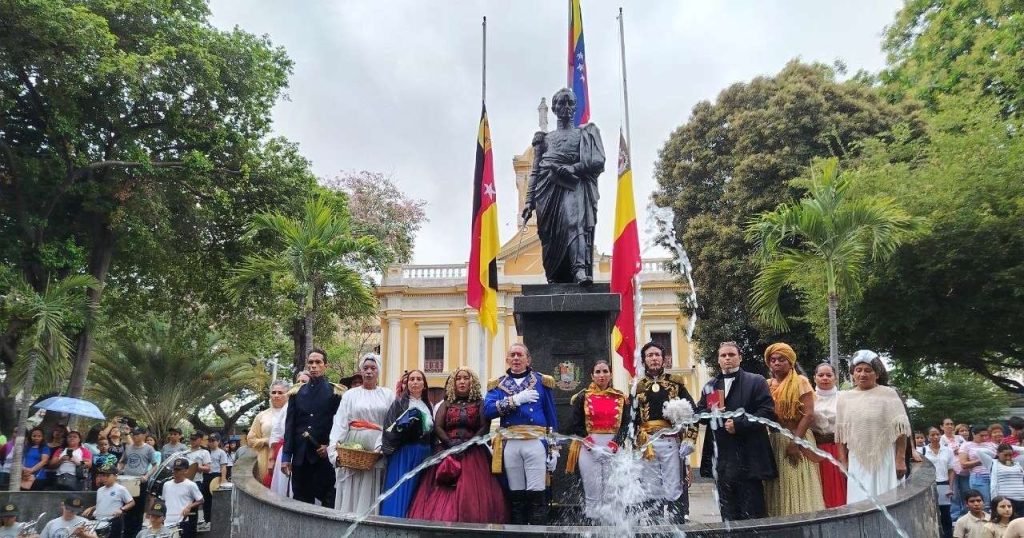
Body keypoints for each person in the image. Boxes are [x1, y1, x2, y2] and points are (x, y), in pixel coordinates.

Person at [520, 87, 606, 285]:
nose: (565, 107)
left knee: (574, 222)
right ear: (554, 108)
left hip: (572, 184)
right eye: (561, 103)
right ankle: (555, 274)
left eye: (569, 103)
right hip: (547, 190)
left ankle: (579, 270)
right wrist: (528, 201)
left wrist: (574, 168)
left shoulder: (584, 134)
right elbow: (535, 171)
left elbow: (597, 161)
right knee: (548, 233)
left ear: (575, 107)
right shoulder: (544, 140)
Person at [407, 368, 508, 523]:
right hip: (447, 449)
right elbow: (438, 427)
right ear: (453, 383)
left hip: (474, 451)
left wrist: (469, 443)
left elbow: (484, 427)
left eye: (465, 378)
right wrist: (449, 443)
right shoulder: (446, 404)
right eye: (458, 378)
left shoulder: (480, 403)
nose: (461, 381)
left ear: (471, 382)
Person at [696, 341, 777, 521]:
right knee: (728, 516)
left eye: (731, 355)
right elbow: (699, 414)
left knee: (753, 515)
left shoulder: (756, 381)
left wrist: (740, 424)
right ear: (718, 360)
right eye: (723, 355)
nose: (727, 359)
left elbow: (767, 412)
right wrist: (711, 413)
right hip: (723, 462)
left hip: (749, 459)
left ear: (740, 357)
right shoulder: (711, 385)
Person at [483, 343, 559, 525]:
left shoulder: (542, 381)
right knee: (516, 496)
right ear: (507, 359)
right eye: (512, 355)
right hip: (511, 443)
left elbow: (552, 417)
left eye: (520, 355)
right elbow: (488, 411)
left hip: (535, 442)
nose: (516, 358)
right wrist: (515, 400)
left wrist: (555, 450)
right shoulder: (497, 384)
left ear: (528, 359)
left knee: (537, 494)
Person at [836, 350, 911, 504]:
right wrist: (843, 460)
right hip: (857, 458)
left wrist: (900, 459)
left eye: (868, 370)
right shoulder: (844, 397)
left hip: (885, 456)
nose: (863, 374)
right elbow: (841, 433)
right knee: (859, 501)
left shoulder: (888, 393)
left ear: (877, 374)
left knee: (888, 500)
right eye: (858, 370)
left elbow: (901, 429)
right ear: (853, 373)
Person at [630, 343, 694, 522]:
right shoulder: (638, 386)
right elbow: (630, 418)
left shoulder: (676, 383)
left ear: (663, 358)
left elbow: (692, 413)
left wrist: (689, 439)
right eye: (649, 355)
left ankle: (677, 526)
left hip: (670, 441)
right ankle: (653, 528)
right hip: (646, 443)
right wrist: (628, 443)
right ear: (644, 360)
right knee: (650, 488)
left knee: (674, 487)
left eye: (657, 354)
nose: (654, 358)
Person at [762, 343, 825, 517]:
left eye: (781, 359)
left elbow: (808, 415)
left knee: (797, 485)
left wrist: (795, 443)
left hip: (798, 438)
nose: (776, 363)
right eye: (773, 360)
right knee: (777, 486)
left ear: (791, 362)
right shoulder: (766, 385)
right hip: (774, 440)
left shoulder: (801, 382)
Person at [565, 359, 631, 521]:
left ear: (611, 374)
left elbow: (626, 424)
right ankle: (593, 526)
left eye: (605, 371)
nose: (602, 375)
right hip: (588, 449)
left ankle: (612, 527)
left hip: (613, 448)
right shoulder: (582, 397)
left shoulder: (621, 398)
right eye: (598, 372)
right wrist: (590, 445)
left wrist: (616, 443)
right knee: (592, 491)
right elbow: (575, 424)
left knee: (612, 492)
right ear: (592, 375)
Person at [328, 353, 393, 513]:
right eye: (365, 368)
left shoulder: (387, 395)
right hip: (352, 448)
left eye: (373, 368)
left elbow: (391, 424)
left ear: (378, 371)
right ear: (361, 371)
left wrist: (381, 447)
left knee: (372, 488)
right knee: (351, 487)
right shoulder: (350, 395)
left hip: (376, 450)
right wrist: (334, 452)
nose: (369, 371)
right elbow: (340, 423)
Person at [282, 349, 346, 508]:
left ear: (326, 366)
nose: (314, 366)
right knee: (300, 503)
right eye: (311, 362)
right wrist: (285, 457)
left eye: (318, 362)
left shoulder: (335, 392)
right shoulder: (296, 392)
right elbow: (289, 427)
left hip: (323, 456)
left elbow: (340, 425)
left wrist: (331, 448)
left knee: (329, 501)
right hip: (300, 457)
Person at [379, 370, 434, 517]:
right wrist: (404, 428)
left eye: (418, 379)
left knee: (418, 493)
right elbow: (388, 429)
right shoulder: (398, 404)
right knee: (400, 490)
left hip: (424, 454)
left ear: (424, 385)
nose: (415, 382)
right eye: (412, 379)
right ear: (407, 383)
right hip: (404, 453)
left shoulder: (428, 406)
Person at [811, 362, 846, 508]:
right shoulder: (808, 397)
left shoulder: (845, 397)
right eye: (821, 375)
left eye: (829, 375)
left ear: (835, 378)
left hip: (840, 447)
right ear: (814, 378)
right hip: (814, 449)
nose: (825, 378)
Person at [269, 374, 307, 497]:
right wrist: (272, 458)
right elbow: (276, 433)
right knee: (285, 488)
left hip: (309, 452)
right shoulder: (288, 406)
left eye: (304, 381)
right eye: (298, 381)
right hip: (287, 452)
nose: (301, 383)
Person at [248, 380, 289, 485]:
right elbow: (251, 439)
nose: (276, 395)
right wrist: (267, 441)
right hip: (265, 459)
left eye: (280, 393)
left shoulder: (293, 413)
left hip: (287, 458)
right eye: (274, 392)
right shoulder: (262, 416)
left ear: (288, 394)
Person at [119, 427, 156, 538]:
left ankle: (137, 534)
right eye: (133, 434)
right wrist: (119, 470)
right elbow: (122, 462)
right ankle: (126, 533)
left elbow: (155, 465)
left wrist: (146, 476)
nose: (135, 436)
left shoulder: (149, 449)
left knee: (138, 509)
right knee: (127, 506)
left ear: (143, 435)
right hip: (127, 481)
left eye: (137, 434)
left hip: (140, 482)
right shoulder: (129, 448)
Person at [922, 426, 957, 538]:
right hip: (928, 485)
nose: (935, 437)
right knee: (930, 512)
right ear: (928, 437)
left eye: (937, 434)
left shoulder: (948, 451)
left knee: (945, 513)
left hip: (943, 483)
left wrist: (950, 487)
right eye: (932, 434)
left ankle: (947, 535)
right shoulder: (922, 451)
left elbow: (951, 470)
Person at [84, 464, 134, 538]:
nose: (104, 478)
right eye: (102, 475)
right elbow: (102, 503)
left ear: (115, 476)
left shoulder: (121, 489)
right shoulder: (100, 490)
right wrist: (91, 508)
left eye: (107, 475)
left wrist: (121, 509)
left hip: (112, 521)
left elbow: (131, 502)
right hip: (98, 520)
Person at [976, 443, 1024, 516]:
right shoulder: (992, 463)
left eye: (1010, 455)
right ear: (998, 453)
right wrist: (995, 451)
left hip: (1021, 499)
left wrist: (1011, 447)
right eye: (1005, 455)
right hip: (1004, 500)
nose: (1008, 457)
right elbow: (979, 451)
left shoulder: (1018, 463)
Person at [161, 458, 203, 538]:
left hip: (182, 522)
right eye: (174, 469)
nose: (175, 472)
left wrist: (189, 507)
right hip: (167, 522)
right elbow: (164, 501)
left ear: (186, 470)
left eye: (178, 470)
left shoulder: (191, 485)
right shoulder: (166, 485)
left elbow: (201, 500)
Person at [182, 433, 211, 531]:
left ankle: (192, 530)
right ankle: (183, 529)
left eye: (195, 439)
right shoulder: (184, 453)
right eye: (191, 439)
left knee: (193, 508)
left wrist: (196, 467)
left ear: (200, 440)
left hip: (197, 482)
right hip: (184, 481)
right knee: (183, 505)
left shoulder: (204, 452)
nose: (193, 441)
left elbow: (208, 468)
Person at [963, 426, 998, 505]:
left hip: (993, 476)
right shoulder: (967, 445)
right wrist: (982, 460)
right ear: (973, 434)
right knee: (984, 503)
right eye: (981, 435)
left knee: (996, 501)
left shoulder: (992, 445)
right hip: (978, 477)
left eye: (986, 435)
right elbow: (964, 464)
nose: (984, 438)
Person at [22, 426, 50, 491]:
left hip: (38, 477)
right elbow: (21, 460)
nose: (36, 438)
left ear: (42, 437)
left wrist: (31, 470)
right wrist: (24, 469)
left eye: (39, 436)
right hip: (24, 476)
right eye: (34, 436)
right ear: (30, 437)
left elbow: (44, 461)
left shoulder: (45, 448)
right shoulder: (26, 448)